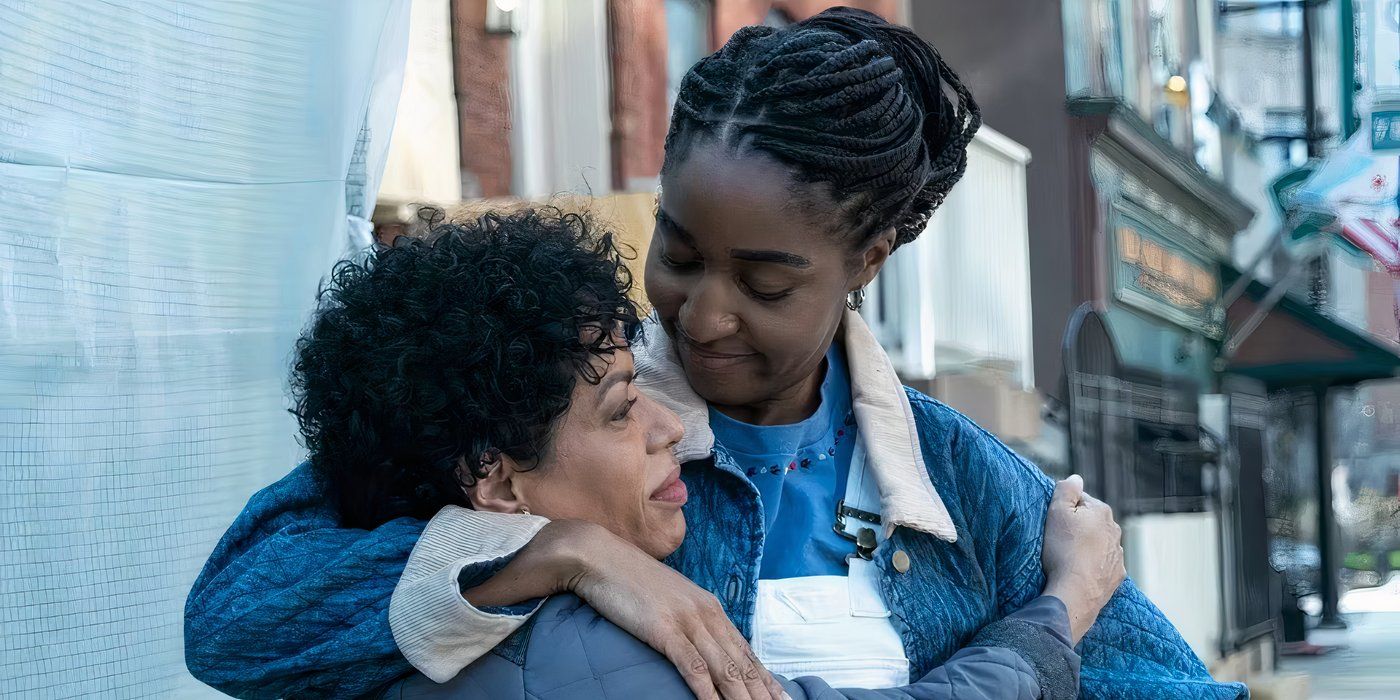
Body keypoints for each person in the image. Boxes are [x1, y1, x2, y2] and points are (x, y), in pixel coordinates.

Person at [186, 8, 1246, 700]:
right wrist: (566, 549)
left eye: (765, 282)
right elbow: (240, 615)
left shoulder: (968, 487)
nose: (700, 314)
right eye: (679, 252)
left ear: (865, 260)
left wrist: (1067, 603)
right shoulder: (536, 417)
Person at [269, 206, 1115, 699]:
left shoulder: (415, 618)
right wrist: (1064, 607)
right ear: (493, 479)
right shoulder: (593, 658)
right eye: (617, 411)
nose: (671, 425)